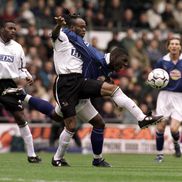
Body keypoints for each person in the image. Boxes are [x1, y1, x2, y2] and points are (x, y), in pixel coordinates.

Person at [50, 11, 163, 167]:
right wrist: (58, 26)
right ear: (71, 27)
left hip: (80, 82)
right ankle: (57, 158)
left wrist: (106, 75)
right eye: (81, 27)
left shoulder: (81, 44)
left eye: (85, 27)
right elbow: (54, 34)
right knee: (70, 126)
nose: (84, 30)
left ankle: (99, 157)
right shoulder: (63, 37)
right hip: (66, 85)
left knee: (101, 119)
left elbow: (97, 62)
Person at [0, 20, 41, 163]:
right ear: (2, 29)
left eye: (14, 29)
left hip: (9, 85)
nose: (13, 31)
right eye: (10, 28)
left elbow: (21, 69)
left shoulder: (18, 48)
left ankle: (32, 155)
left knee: (20, 117)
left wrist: (27, 75)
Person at [153, 37, 182, 163]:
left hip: (179, 97)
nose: (174, 46)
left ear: (180, 47)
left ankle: (176, 143)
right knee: (160, 127)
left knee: (174, 129)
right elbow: (154, 77)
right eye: (172, 44)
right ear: (168, 46)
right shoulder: (161, 61)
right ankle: (160, 155)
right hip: (164, 96)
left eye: (177, 44)